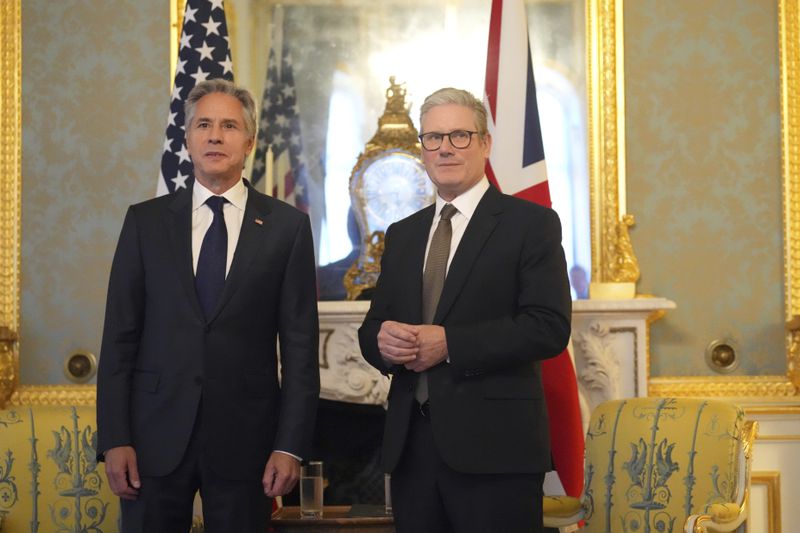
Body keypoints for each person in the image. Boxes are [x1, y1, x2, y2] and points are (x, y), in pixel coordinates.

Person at [96, 79, 320, 532]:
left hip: (247, 445)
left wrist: (290, 446)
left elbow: (300, 350)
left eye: (229, 126)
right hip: (152, 441)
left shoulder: (286, 228)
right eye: (204, 125)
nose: (215, 136)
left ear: (250, 141)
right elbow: (119, 337)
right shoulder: (145, 222)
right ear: (188, 138)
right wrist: (115, 438)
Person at [358, 87, 571, 533]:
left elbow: (548, 327)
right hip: (412, 450)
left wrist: (451, 344)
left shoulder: (530, 224)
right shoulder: (403, 234)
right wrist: (381, 342)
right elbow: (373, 327)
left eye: (459, 135)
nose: (445, 148)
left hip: (496, 451)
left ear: (485, 143)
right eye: (433, 138)